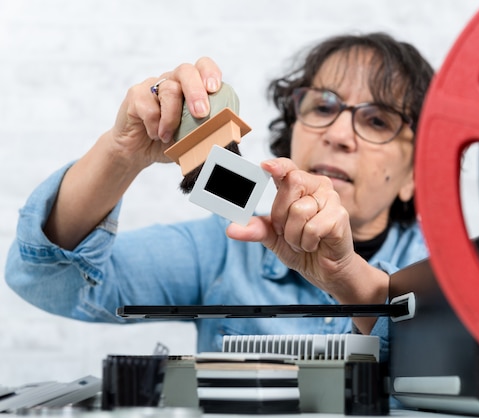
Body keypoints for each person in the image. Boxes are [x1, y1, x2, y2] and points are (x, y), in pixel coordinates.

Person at [5, 32, 433, 361]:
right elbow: (47, 281)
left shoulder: (459, 269)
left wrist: (348, 278)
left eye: (377, 120)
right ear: (293, 133)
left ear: (414, 175)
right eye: (322, 107)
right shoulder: (220, 247)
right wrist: (122, 153)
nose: (339, 135)